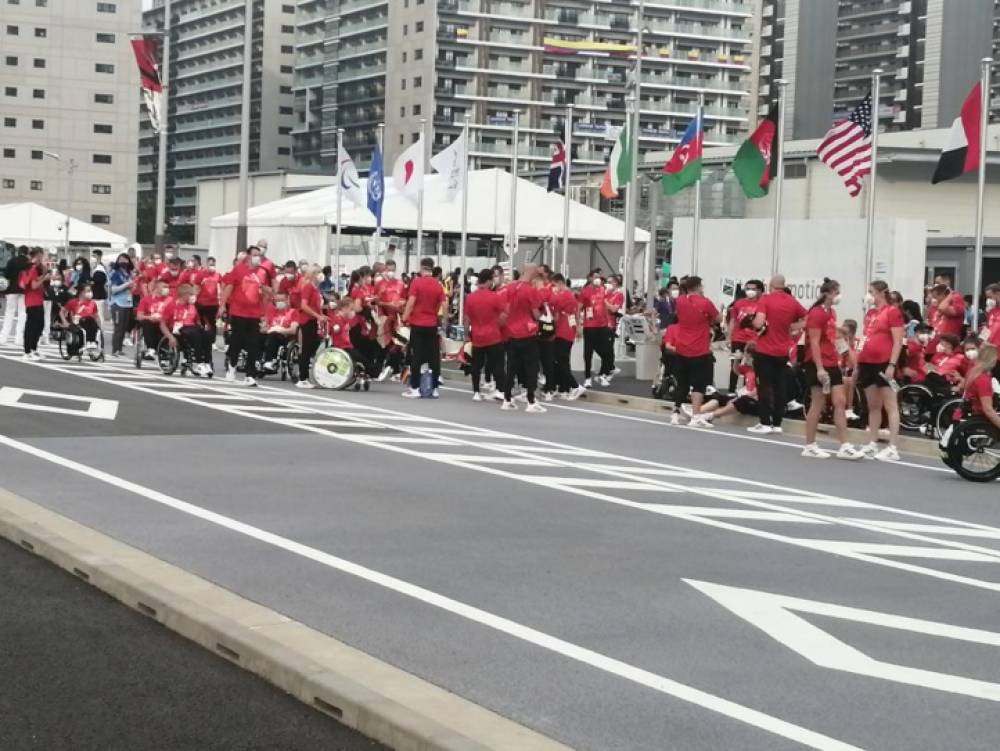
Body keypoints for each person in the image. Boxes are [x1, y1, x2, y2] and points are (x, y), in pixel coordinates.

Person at [800, 280, 862, 460]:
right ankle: (810, 445)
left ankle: (845, 445)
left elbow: (834, 337)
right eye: (836, 292)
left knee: (840, 401)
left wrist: (848, 355)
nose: (838, 296)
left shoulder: (831, 313)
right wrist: (820, 369)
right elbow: (814, 342)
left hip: (832, 362)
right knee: (818, 403)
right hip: (817, 364)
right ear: (827, 293)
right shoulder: (816, 314)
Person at [748, 275, 807, 435]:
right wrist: (792, 326)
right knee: (780, 386)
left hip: (765, 350)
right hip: (783, 351)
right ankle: (777, 423)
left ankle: (765, 422)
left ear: (771, 286)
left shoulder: (765, 300)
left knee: (764, 386)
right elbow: (808, 318)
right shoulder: (792, 301)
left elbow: (759, 323)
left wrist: (753, 323)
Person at [857, 280, 905, 461]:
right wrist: (858, 360)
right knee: (873, 406)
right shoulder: (870, 313)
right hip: (866, 363)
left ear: (881, 293)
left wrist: (891, 364)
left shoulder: (892, 312)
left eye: (871, 292)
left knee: (890, 404)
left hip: (883, 363)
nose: (868, 295)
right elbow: (866, 336)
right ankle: (872, 443)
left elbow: (898, 341)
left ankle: (893, 446)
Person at [670, 276, 720, 428]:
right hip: (699, 349)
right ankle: (696, 415)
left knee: (682, 382)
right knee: (699, 384)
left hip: (681, 346)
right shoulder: (705, 302)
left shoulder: (680, 301)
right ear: (698, 286)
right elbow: (718, 318)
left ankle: (675, 413)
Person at [221, 246, 269, 387]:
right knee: (237, 342)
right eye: (255, 255)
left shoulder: (262, 272)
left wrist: (264, 313)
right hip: (238, 312)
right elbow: (229, 287)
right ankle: (232, 366)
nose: (257, 258)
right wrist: (223, 304)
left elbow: (265, 293)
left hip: (254, 313)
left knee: (254, 344)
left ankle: (250, 375)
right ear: (248, 256)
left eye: (259, 255)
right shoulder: (238, 269)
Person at [502, 264, 546, 413]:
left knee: (512, 367)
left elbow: (506, 309)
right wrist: (542, 313)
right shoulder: (530, 290)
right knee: (531, 368)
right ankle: (531, 401)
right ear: (532, 272)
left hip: (512, 332)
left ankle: (507, 399)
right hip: (527, 332)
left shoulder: (511, 287)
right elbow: (536, 314)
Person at [401, 257, 446, 398]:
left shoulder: (417, 282)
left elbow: (411, 302)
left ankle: (415, 388)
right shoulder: (438, 285)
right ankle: (434, 389)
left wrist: (404, 318)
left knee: (416, 356)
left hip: (418, 324)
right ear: (432, 268)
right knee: (434, 357)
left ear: (422, 268)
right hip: (432, 325)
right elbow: (444, 305)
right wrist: (443, 320)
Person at [463, 268, 507, 401]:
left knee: (476, 365)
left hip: (477, 336)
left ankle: (476, 391)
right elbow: (504, 314)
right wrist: (498, 324)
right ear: (488, 281)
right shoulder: (495, 297)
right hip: (493, 335)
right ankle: (500, 389)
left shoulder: (470, 297)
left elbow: (466, 319)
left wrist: (466, 335)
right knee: (498, 364)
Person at [160, 283, 212, 376]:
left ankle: (207, 362)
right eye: (191, 294)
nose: (193, 297)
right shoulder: (172, 305)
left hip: (191, 327)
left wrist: (203, 329)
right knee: (195, 333)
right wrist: (170, 337)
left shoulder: (192, 306)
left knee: (207, 334)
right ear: (184, 295)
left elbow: (197, 321)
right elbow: (162, 324)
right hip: (178, 329)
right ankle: (199, 363)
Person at [550, 273, 586, 401]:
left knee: (561, 361)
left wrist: (550, 293)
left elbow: (553, 301)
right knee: (560, 360)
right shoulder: (568, 295)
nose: (554, 288)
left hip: (564, 332)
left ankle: (575, 386)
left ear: (560, 283)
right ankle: (564, 388)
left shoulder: (565, 295)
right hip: (563, 331)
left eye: (554, 285)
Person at [579, 270, 613, 387]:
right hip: (589, 326)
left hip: (603, 326)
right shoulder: (585, 291)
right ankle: (588, 377)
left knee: (607, 352)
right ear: (590, 278)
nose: (598, 279)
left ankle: (602, 375)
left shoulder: (603, 289)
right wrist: (578, 324)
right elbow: (579, 308)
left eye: (599, 277)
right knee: (588, 353)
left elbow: (608, 301)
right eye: (595, 277)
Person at [728, 279, 763, 392]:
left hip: (754, 341)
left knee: (749, 366)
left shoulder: (763, 304)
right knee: (735, 365)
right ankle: (731, 390)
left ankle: (747, 390)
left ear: (760, 291)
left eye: (753, 289)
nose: (750, 291)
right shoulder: (739, 303)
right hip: (738, 339)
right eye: (748, 288)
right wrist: (729, 337)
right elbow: (733, 321)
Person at [295, 266, 324, 389]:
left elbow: (315, 305)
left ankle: (304, 375)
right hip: (307, 320)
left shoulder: (315, 288)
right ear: (312, 274)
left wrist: (322, 314)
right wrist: (317, 315)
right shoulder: (308, 287)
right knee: (306, 349)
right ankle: (302, 377)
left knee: (312, 345)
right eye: (318, 273)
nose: (320, 275)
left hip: (312, 320)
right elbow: (304, 305)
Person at [960, 344, 1000, 430]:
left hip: (967, 415)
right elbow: (988, 410)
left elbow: (961, 389)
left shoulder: (973, 372)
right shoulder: (983, 380)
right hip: (979, 418)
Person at [260, 290, 299, 373]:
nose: (279, 302)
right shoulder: (272, 312)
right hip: (270, 335)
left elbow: (294, 330)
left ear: (287, 300)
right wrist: (267, 329)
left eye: (282, 300)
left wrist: (280, 330)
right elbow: (263, 327)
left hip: (285, 337)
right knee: (258, 336)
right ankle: (255, 361)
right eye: (277, 300)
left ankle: (270, 361)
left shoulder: (293, 312)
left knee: (274, 335)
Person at [18, 248, 46, 360]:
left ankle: (33, 349)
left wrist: (44, 273)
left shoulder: (32, 268)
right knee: (32, 327)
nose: (42, 258)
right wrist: (44, 278)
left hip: (37, 300)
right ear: (37, 255)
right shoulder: (32, 268)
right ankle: (27, 351)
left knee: (39, 325)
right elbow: (34, 285)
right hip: (32, 301)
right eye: (41, 255)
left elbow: (34, 280)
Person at [60, 283, 101, 357]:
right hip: (78, 321)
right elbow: (61, 312)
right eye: (88, 291)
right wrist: (65, 322)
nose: (90, 292)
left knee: (91, 320)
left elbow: (96, 316)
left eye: (90, 290)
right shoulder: (73, 302)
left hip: (90, 322)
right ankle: (90, 342)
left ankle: (91, 342)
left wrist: (100, 326)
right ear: (82, 292)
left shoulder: (93, 303)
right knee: (88, 319)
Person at [108, 253, 136, 357]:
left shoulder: (128, 273)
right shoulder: (115, 273)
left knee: (124, 327)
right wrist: (126, 285)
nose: (123, 261)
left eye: (125, 259)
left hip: (127, 303)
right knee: (118, 327)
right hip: (118, 303)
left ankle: (119, 348)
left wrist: (132, 286)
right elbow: (113, 289)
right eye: (121, 259)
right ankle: (115, 349)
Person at [135, 278, 172, 357]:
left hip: (165, 324)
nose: (167, 289)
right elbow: (139, 316)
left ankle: (164, 352)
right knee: (146, 323)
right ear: (157, 287)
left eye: (168, 287)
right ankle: (151, 349)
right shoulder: (146, 299)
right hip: (151, 323)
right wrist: (149, 317)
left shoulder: (171, 300)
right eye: (164, 287)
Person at [2, 246, 30, 347]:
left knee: (9, 312)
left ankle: (4, 337)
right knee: (22, 313)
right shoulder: (29, 263)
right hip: (24, 290)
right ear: (27, 253)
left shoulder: (12, 261)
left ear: (18, 252)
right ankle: (19, 338)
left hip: (12, 289)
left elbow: (6, 275)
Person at [195, 256, 222, 349]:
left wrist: (221, 302)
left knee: (212, 323)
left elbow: (221, 288)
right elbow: (196, 287)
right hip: (201, 303)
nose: (212, 266)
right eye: (210, 264)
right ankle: (202, 340)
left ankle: (212, 342)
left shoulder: (218, 275)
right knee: (201, 323)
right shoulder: (201, 275)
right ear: (206, 264)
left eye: (213, 265)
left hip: (213, 303)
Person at [90, 249, 109, 328]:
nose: (93, 258)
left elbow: (98, 281)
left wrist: (91, 280)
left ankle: (101, 331)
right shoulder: (94, 267)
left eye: (94, 256)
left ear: (99, 256)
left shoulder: (100, 268)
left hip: (99, 295)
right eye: (92, 256)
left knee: (99, 314)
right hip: (94, 295)